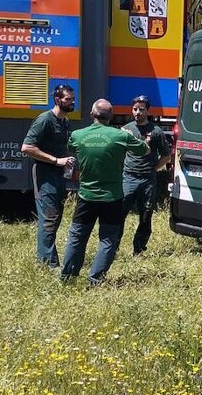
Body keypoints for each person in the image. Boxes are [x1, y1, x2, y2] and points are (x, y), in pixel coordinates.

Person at [60, 99, 149, 286]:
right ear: (111, 116)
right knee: (108, 240)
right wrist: (127, 135)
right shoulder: (121, 136)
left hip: (86, 196)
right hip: (112, 197)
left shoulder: (77, 135)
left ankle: (67, 277)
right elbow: (144, 150)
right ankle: (95, 279)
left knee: (77, 236)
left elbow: (71, 147)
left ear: (92, 115)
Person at [21, 84, 76, 269]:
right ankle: (49, 264)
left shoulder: (65, 121)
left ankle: (45, 259)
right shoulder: (44, 120)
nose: (72, 102)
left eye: (72, 98)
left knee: (56, 216)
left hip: (58, 174)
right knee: (48, 217)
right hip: (45, 174)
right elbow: (27, 147)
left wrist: (68, 160)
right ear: (57, 100)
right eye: (68, 99)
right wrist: (55, 160)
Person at [122, 95, 172, 255]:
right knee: (119, 214)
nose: (137, 112)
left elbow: (166, 155)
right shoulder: (126, 129)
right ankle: (112, 248)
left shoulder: (156, 131)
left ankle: (139, 249)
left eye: (141, 110)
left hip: (147, 180)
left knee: (145, 216)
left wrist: (154, 168)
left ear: (147, 111)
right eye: (135, 109)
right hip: (128, 178)